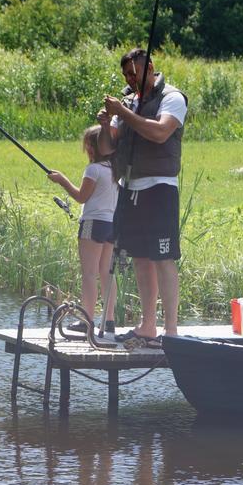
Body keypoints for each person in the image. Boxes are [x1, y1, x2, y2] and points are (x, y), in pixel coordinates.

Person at [96, 48, 187, 346]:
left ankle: (170, 330)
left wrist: (124, 113)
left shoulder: (172, 97)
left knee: (164, 257)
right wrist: (107, 123)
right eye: (125, 75)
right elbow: (108, 148)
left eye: (133, 73)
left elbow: (161, 133)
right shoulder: (130, 101)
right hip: (131, 187)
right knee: (140, 257)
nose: (130, 80)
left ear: (150, 68)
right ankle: (148, 325)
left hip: (160, 187)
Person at [48, 125, 119, 334]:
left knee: (89, 273)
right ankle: (109, 320)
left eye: (87, 145)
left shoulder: (93, 170)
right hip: (111, 225)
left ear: (92, 147)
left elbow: (81, 197)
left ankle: (86, 319)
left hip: (92, 224)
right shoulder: (116, 171)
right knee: (106, 273)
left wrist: (61, 180)